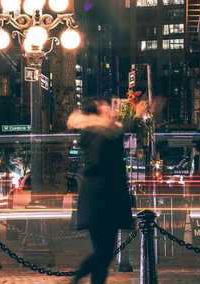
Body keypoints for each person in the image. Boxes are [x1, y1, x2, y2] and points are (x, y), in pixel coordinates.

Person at [67, 98, 133, 284]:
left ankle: (84, 279)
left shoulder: (100, 132)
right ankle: (77, 277)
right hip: (102, 199)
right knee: (104, 252)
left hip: (101, 198)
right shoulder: (101, 133)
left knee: (104, 252)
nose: (108, 106)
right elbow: (102, 161)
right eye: (103, 105)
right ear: (98, 113)